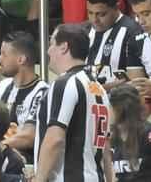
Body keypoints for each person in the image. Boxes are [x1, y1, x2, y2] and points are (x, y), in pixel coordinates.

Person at [33, 23, 111, 182]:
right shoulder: (99, 89)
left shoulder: (65, 83)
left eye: (52, 44)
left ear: (64, 47)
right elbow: (106, 147)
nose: (48, 51)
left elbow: (55, 138)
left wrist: (39, 179)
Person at [0, 31, 48, 156]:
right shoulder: (1, 86)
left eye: (4, 54)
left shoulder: (43, 92)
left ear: (21, 59)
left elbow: (29, 137)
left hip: (24, 165)